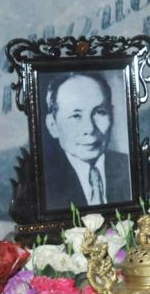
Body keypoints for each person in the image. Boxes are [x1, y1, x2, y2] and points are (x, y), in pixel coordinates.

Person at [41, 72, 131, 211]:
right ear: (52, 125)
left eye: (100, 112)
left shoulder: (129, 168)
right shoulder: (41, 181)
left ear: (112, 114)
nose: (89, 128)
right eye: (76, 116)